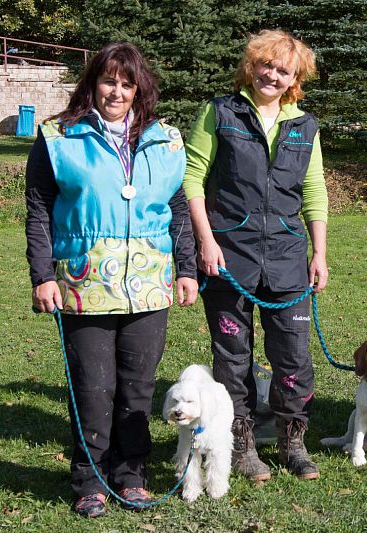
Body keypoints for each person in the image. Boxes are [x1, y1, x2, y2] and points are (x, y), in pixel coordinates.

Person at [25, 42, 198, 517]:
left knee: (137, 388)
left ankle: (132, 474)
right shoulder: (59, 137)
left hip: (149, 284)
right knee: (92, 386)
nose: (116, 92)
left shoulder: (167, 140)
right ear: (92, 84)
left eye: (127, 83)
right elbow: (39, 210)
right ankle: (90, 480)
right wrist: (42, 274)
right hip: (83, 285)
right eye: (108, 81)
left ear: (140, 88)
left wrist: (186, 267)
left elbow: (177, 209)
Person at [183, 29, 327, 481]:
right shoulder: (219, 113)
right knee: (233, 357)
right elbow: (192, 180)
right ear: (252, 65)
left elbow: (314, 191)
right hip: (229, 256)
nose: (273, 74)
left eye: (283, 70)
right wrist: (206, 241)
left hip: (287, 258)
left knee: (293, 357)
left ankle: (292, 442)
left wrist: (319, 251)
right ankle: (241, 444)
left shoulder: (305, 126)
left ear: (294, 78)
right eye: (266, 65)